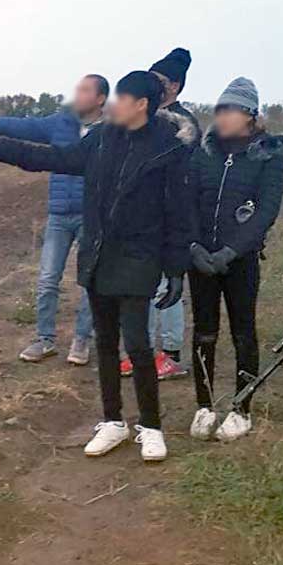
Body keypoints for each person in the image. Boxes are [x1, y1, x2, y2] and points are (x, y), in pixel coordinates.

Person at [0, 71, 195, 462]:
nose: (112, 103)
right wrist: (1, 147)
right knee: (105, 342)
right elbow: (57, 158)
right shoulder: (101, 139)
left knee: (136, 344)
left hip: (139, 256)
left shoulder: (168, 149)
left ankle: (151, 427)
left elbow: (179, 212)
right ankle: (112, 421)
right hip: (99, 253)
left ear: (141, 105)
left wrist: (175, 269)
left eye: (121, 98)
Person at [0, 75, 109, 366]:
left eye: (85, 90)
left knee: (91, 282)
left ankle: (82, 340)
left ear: (100, 99)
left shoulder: (112, 132)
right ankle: (45, 340)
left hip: (94, 217)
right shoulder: (60, 123)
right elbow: (20, 125)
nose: (77, 95)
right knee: (47, 279)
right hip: (59, 214)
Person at [186, 77, 283, 442]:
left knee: (243, 332)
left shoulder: (267, 156)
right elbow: (190, 202)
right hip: (200, 260)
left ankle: (242, 409)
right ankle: (204, 405)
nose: (222, 116)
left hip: (239, 260)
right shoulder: (205, 151)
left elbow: (266, 211)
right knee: (204, 331)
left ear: (249, 115)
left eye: (230, 109)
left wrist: (232, 250)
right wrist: (195, 247)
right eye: (219, 109)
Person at [119, 47, 201, 381]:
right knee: (138, 289)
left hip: (169, 222)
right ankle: (140, 352)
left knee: (166, 288)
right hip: (138, 220)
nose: (154, 85)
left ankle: (169, 353)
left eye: (161, 81)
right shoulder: (140, 119)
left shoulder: (184, 125)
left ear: (176, 87)